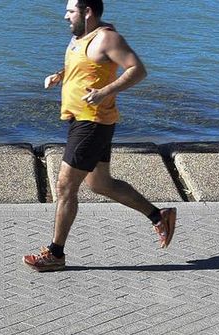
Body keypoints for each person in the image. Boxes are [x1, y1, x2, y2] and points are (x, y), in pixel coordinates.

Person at [24, 0, 176, 273]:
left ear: (88, 12)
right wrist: (60, 76)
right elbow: (85, 67)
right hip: (82, 120)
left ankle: (55, 254)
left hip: (92, 122)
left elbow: (137, 70)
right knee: (100, 183)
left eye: (71, 11)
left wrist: (105, 92)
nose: (65, 16)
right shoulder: (78, 37)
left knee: (65, 186)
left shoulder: (107, 38)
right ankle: (158, 215)